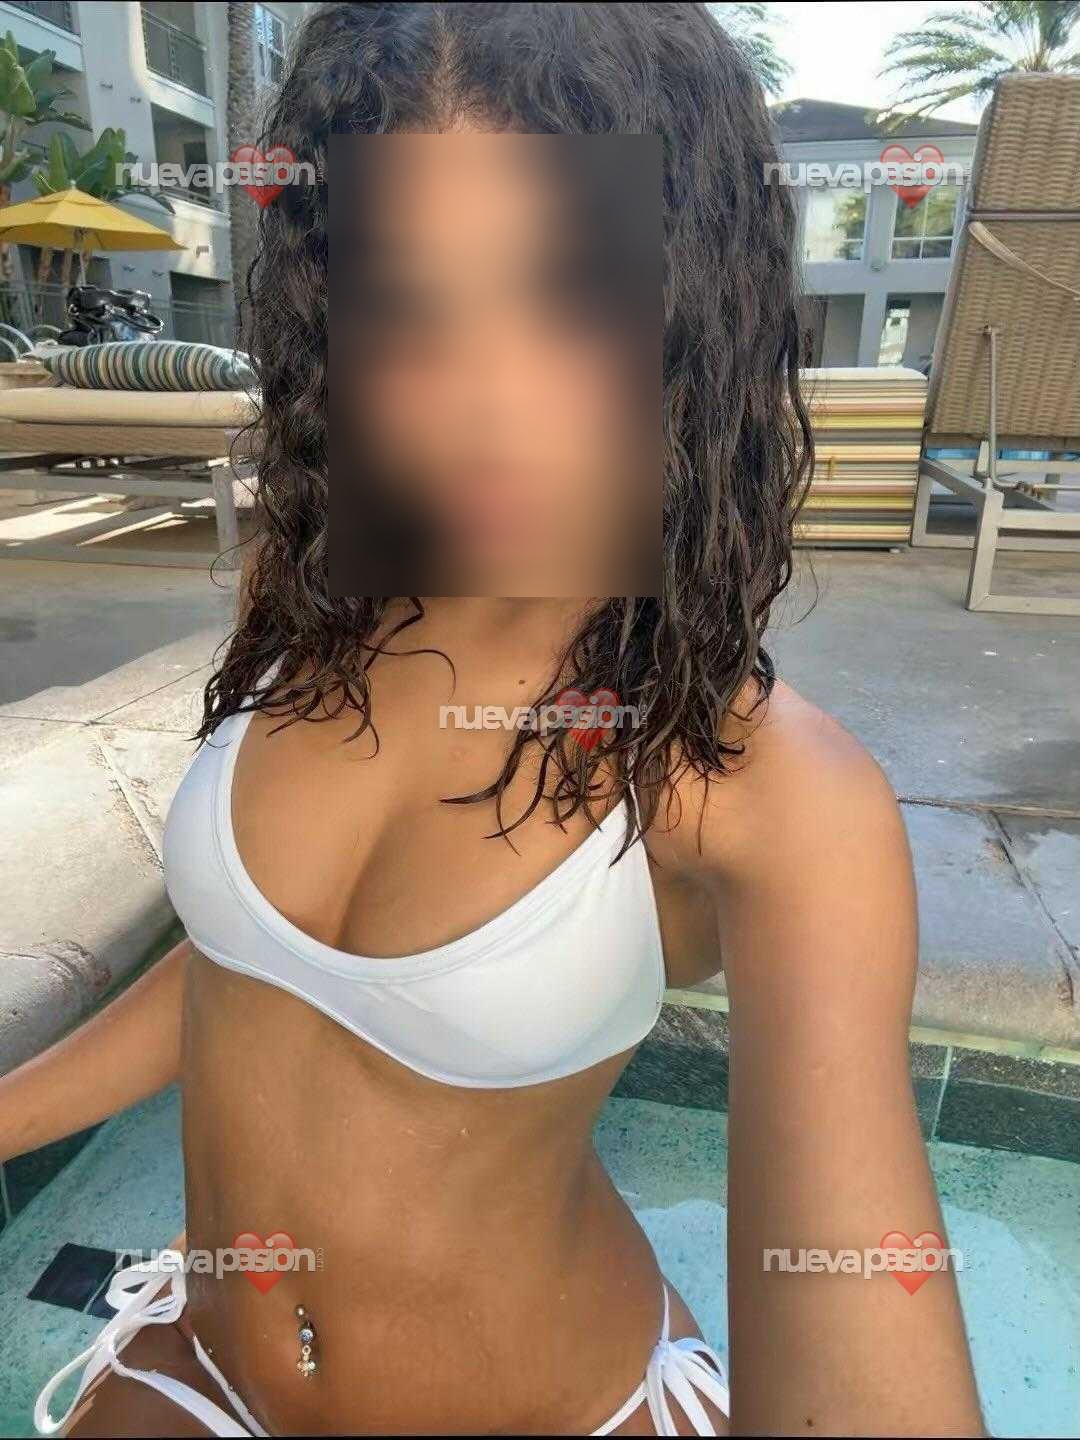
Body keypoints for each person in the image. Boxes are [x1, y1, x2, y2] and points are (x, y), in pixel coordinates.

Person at [4, 4, 984, 1435]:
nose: (484, 407)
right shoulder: (315, 604)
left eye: (566, 304)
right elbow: (242, 972)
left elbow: (857, 1315)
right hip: (199, 1363)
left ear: (690, 310)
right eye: (411, 309)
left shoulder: (757, 786)